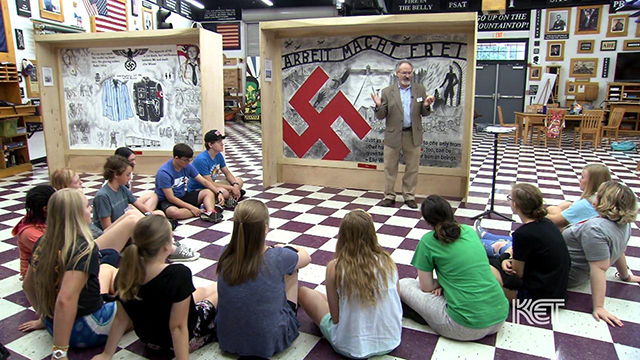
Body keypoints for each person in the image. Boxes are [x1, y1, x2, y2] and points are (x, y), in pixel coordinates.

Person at [92, 216, 218, 360]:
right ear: (166, 246)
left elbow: (121, 319)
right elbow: (177, 327)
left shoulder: (125, 274)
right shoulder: (178, 274)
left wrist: (106, 354)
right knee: (216, 293)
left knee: (201, 291)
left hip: (150, 341)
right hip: (181, 340)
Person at [21, 189, 119, 356]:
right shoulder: (83, 248)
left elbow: (27, 285)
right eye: (87, 206)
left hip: (54, 326)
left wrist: (44, 318)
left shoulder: (43, 242)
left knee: (107, 269)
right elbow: (65, 300)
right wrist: (59, 352)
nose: (90, 210)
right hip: (86, 328)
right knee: (143, 303)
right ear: (76, 214)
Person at [399, 195, 508, 341]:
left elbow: (426, 287)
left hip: (464, 326)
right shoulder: (469, 232)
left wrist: (440, 284)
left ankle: (424, 316)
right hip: (500, 317)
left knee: (405, 284)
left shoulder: (428, 241)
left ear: (427, 220)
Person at [298, 210, 402, 359]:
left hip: (351, 347)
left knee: (303, 292)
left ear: (342, 236)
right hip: (391, 340)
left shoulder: (335, 267)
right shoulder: (388, 261)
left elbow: (335, 318)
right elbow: (395, 301)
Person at [215, 199, 311, 358]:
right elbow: (306, 258)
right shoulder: (278, 257)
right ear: (265, 228)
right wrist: (291, 248)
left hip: (228, 339)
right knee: (292, 270)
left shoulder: (225, 253)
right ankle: (289, 311)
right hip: (269, 341)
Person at [476, 164, 612, 255]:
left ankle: (480, 242)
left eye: (583, 177)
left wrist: (556, 209)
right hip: (564, 249)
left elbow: (556, 219)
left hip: (562, 251)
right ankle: (485, 236)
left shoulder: (584, 205)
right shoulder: (604, 204)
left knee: (503, 246)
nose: (579, 179)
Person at [562, 181, 639, 327]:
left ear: (605, 202)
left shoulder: (595, 229)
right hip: (572, 266)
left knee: (510, 249)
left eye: (598, 195)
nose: (594, 196)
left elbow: (599, 268)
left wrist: (599, 307)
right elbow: (619, 251)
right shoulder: (624, 223)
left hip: (568, 274)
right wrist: (626, 276)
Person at [487, 184, 571, 302]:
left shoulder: (523, 233)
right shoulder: (548, 223)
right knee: (499, 261)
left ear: (515, 205)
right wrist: (507, 260)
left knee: (486, 267)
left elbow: (517, 273)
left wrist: (505, 258)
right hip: (558, 291)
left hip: (538, 297)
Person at [371, 60, 435, 209]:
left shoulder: (420, 89)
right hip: (393, 135)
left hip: (412, 135)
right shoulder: (387, 91)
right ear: (397, 74)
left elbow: (424, 113)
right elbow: (381, 116)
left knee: (412, 168)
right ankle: (389, 195)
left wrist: (426, 106)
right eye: (404, 73)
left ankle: (409, 196)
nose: (407, 75)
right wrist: (379, 105)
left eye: (409, 73)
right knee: (390, 167)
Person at [155, 143, 225, 223]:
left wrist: (218, 192)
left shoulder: (187, 166)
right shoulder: (164, 172)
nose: (188, 162)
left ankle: (210, 213)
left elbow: (204, 181)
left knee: (208, 192)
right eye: (185, 160)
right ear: (176, 158)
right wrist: (191, 207)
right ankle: (202, 211)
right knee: (174, 212)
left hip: (182, 195)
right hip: (166, 200)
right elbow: (171, 198)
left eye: (190, 160)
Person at [92, 155, 162, 231]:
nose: (129, 178)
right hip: (112, 233)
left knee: (159, 214)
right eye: (127, 174)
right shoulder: (103, 196)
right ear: (116, 174)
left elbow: (139, 205)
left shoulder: (122, 188)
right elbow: (107, 228)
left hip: (124, 224)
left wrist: (153, 217)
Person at [188, 129, 245, 210]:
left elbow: (227, 173)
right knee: (224, 191)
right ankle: (225, 199)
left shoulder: (219, 155)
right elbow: (209, 183)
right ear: (210, 144)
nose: (222, 144)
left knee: (239, 180)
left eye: (221, 141)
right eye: (218, 142)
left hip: (213, 185)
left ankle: (229, 199)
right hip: (201, 189)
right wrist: (232, 188)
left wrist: (235, 184)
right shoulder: (202, 160)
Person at [12, 185, 56, 279]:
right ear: (45, 209)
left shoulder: (45, 218)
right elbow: (54, 254)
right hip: (35, 275)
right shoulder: (29, 233)